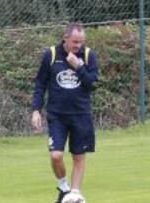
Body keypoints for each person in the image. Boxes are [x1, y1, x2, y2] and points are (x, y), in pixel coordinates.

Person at [31, 22, 99, 203]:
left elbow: (92, 83)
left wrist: (78, 66)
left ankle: (75, 194)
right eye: (75, 42)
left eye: (81, 42)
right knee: (56, 155)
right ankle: (64, 188)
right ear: (65, 38)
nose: (78, 46)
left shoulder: (88, 55)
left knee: (78, 156)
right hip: (57, 116)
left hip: (81, 115)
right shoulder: (51, 55)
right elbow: (40, 84)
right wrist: (36, 110)